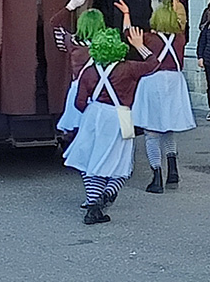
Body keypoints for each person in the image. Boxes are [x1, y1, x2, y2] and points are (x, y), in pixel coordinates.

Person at [64, 26, 158, 224]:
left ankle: (93, 203)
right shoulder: (129, 68)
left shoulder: (88, 72)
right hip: (120, 116)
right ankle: (105, 196)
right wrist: (140, 46)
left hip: (94, 115)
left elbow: (79, 103)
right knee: (121, 163)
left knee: (88, 162)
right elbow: (153, 63)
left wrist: (93, 112)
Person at [128, 0, 195, 194]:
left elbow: (128, 33)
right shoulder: (181, 38)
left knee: (152, 131)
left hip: (154, 81)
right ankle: (173, 170)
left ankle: (157, 176)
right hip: (175, 81)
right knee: (168, 127)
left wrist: (125, 15)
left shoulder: (149, 39)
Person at [51, 0, 104, 136]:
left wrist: (70, 7)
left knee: (76, 133)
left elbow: (54, 23)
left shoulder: (72, 42)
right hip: (102, 92)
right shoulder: (108, 45)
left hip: (78, 90)